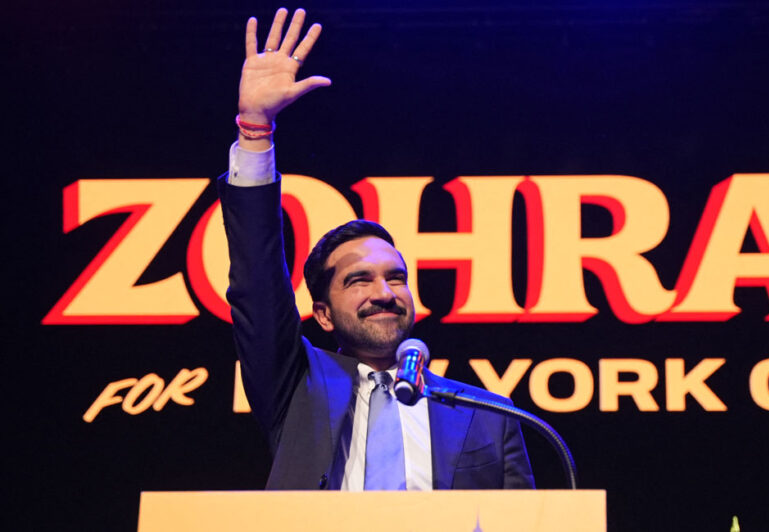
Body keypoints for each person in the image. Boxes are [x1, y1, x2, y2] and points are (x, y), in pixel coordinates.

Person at [218, 7, 535, 490]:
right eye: (359, 280)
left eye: (395, 277)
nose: (384, 291)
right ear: (322, 315)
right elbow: (257, 284)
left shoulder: (488, 414)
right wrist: (256, 130)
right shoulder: (297, 386)